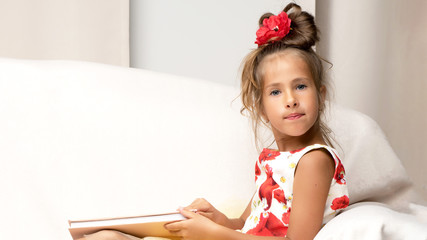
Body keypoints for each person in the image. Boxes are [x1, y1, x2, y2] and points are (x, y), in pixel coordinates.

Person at [84, 2, 349, 240]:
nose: (290, 100)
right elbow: (246, 223)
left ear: (321, 95)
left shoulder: (313, 160)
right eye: (276, 92)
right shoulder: (275, 160)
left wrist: (215, 234)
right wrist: (220, 221)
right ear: (261, 107)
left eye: (300, 86)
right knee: (105, 236)